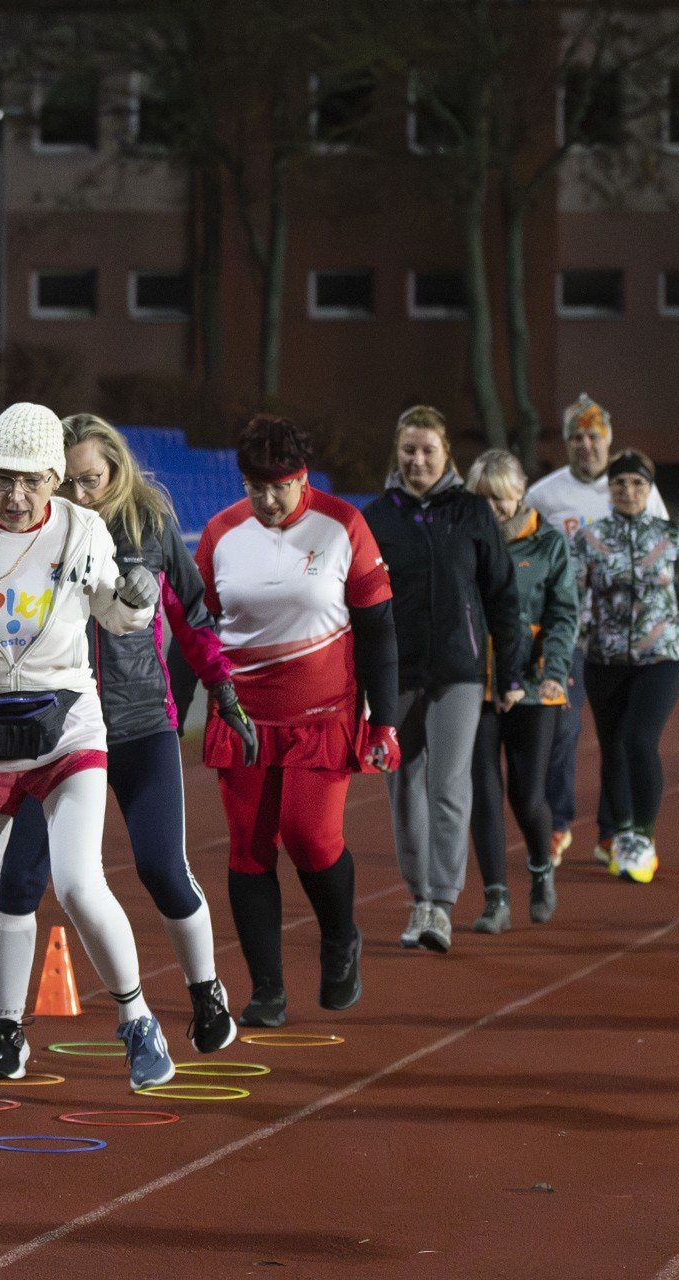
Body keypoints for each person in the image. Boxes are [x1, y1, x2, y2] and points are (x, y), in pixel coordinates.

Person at [0, 402, 177, 1102]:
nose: (16, 497)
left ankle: (137, 1021)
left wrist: (137, 599)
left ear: (55, 478)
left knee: (77, 882)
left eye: (34, 482)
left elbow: (118, 613)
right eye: (3, 479)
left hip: (67, 727)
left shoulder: (84, 530)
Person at [0, 413, 257, 1075]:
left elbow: (192, 618)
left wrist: (224, 693)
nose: (81, 495)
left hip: (139, 723)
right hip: (54, 731)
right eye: (69, 482)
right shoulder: (30, 533)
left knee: (163, 868)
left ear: (117, 471)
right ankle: (2, 1028)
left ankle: (205, 991)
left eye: (93, 480)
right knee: (18, 880)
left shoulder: (148, 527)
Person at [197, 415, 399, 1027]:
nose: (268, 499)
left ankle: (340, 939)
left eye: (281, 486)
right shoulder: (220, 535)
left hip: (324, 713)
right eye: (256, 486)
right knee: (250, 849)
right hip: (244, 716)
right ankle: (267, 990)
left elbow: (378, 630)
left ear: (303, 476)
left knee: (311, 836)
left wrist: (384, 720)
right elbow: (196, 631)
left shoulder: (343, 525)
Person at [363, 407, 526, 954]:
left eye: (428, 450)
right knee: (404, 784)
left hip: (459, 670)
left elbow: (503, 594)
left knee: (450, 784)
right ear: (397, 452)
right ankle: (418, 898)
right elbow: (354, 605)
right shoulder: (376, 518)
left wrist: (510, 672)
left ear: (446, 453)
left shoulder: (472, 513)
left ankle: (441, 902)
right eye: (409, 450)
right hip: (396, 671)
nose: (418, 460)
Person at [527, 394, 669, 867]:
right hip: (564, 633)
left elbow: (665, 552)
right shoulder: (544, 495)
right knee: (561, 730)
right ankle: (558, 824)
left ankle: (614, 828)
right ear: (566, 444)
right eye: (575, 437)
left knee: (622, 737)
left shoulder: (633, 487)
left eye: (593, 437)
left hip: (623, 638)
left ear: (608, 440)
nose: (585, 445)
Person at [572, 450, 679, 884]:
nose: (628, 491)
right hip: (605, 658)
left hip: (663, 654)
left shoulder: (673, 536)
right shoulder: (589, 539)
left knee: (639, 738)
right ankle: (618, 831)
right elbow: (572, 600)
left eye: (637, 484)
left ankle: (642, 837)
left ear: (650, 490)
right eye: (619, 484)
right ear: (608, 490)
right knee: (612, 747)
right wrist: (572, 644)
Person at [464, 451, 577, 932]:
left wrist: (552, 669)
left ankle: (539, 868)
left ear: (521, 491)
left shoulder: (550, 543)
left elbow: (562, 615)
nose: (494, 508)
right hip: (474, 681)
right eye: (484, 498)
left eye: (502, 497)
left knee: (526, 796)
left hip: (533, 686)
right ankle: (495, 898)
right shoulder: (463, 541)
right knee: (482, 791)